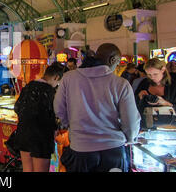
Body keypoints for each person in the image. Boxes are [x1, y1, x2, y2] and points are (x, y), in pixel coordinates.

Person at [54, 43, 141, 172]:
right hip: (113, 150)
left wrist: (71, 126)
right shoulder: (120, 84)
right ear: (112, 60)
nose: (117, 66)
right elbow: (131, 120)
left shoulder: (69, 78)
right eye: (117, 63)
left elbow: (59, 108)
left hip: (80, 148)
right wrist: (130, 138)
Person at [14, 63, 64, 172]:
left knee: (27, 169)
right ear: (56, 77)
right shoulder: (49, 91)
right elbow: (52, 115)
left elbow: (17, 107)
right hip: (41, 139)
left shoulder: (28, 86)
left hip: (24, 134)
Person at [134, 58, 176, 127]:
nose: (152, 77)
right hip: (150, 127)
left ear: (163, 70)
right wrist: (139, 97)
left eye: (155, 74)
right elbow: (135, 107)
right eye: (149, 75)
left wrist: (166, 103)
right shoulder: (144, 84)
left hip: (174, 127)